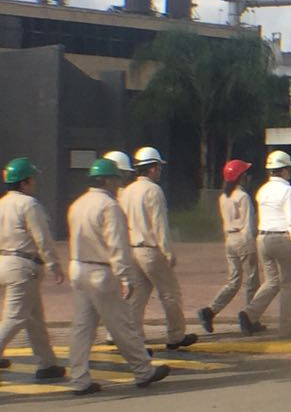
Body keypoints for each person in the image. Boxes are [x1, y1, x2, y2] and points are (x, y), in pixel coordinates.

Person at [66, 158, 169, 395]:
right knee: (122, 325)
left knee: (82, 328)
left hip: (78, 267)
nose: (118, 184)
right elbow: (117, 246)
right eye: (116, 179)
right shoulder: (109, 206)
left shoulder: (78, 204)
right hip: (101, 271)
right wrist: (125, 277)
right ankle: (143, 371)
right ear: (107, 180)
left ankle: (79, 378)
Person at [120, 146, 197, 350]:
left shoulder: (127, 191)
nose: (160, 172)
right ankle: (175, 335)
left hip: (131, 247)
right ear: (152, 169)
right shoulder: (153, 190)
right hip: (151, 250)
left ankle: (134, 337)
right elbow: (159, 224)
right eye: (158, 168)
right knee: (170, 293)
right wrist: (168, 251)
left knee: (137, 296)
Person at [0, 157, 65, 379]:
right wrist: (54, 264)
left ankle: (47, 363)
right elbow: (42, 238)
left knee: (34, 318)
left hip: (3, 262)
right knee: (15, 318)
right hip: (23, 266)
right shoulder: (29, 205)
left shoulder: (2, 203)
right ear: (24, 182)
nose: (35, 182)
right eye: (32, 179)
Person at [240, 151, 291, 336]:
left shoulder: (263, 190)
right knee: (289, 283)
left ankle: (250, 312)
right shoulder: (287, 190)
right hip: (282, 238)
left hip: (263, 238)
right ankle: (287, 326)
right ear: (283, 170)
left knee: (272, 281)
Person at [197, 159, 259, 334]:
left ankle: (210, 310)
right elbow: (249, 225)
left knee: (233, 282)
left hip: (230, 239)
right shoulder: (243, 196)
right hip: (242, 238)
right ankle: (250, 318)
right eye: (244, 173)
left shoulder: (224, 197)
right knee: (252, 282)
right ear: (240, 177)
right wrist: (251, 247)